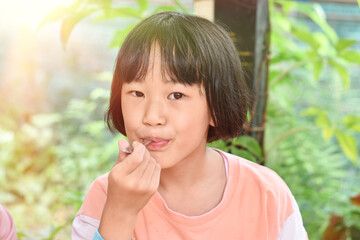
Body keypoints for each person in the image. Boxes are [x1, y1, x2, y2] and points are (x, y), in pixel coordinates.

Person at [72, 11, 308, 240]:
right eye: (137, 93)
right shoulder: (107, 196)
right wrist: (120, 211)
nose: (152, 116)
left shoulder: (267, 194)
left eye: (176, 95)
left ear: (216, 107)